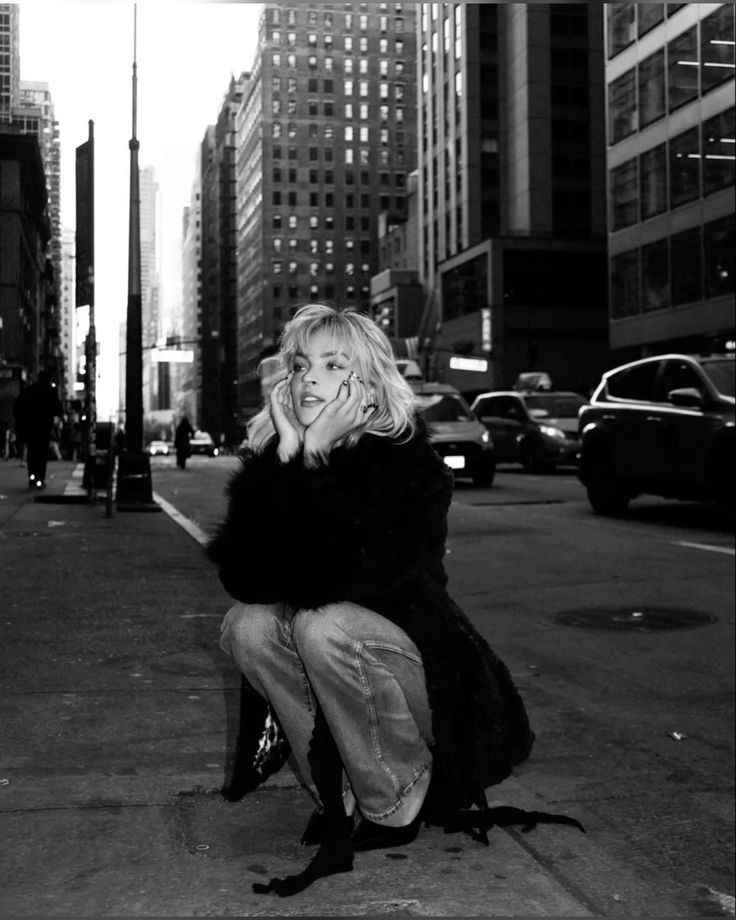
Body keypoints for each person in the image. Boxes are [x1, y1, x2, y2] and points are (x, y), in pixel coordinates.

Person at [207, 304, 535, 895]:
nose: (309, 378)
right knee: (248, 625)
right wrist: (288, 458)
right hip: (337, 642)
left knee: (322, 625)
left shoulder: (414, 467)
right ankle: (342, 793)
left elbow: (340, 582)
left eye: (333, 365)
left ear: (368, 383)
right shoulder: (279, 460)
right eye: (301, 364)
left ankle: (396, 797)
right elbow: (247, 578)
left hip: (421, 671)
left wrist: (312, 461)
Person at [12, 370, 63, 489]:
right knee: (41, 454)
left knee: (32, 452)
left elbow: (17, 407)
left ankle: (32, 476)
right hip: (43, 427)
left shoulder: (29, 390)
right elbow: (58, 409)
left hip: (29, 427)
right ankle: (40, 478)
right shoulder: (50, 391)